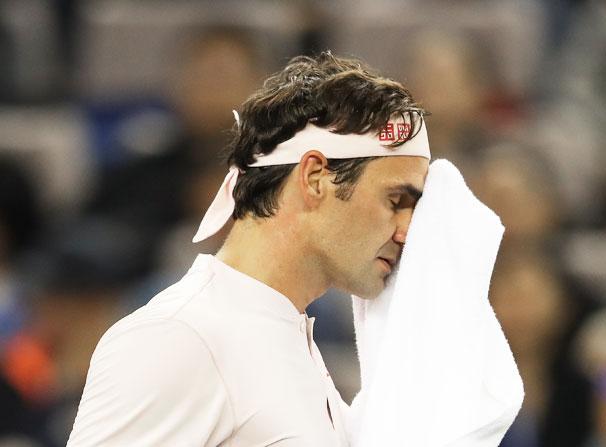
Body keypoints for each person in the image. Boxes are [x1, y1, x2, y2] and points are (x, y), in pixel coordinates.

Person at [67, 52, 430, 446]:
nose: (407, 231)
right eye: (396, 202)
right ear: (314, 179)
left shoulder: (285, 335)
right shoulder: (181, 336)